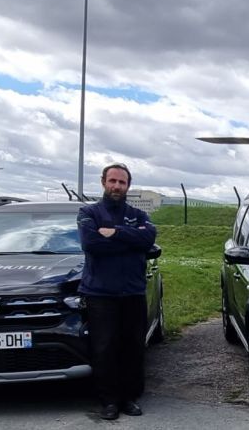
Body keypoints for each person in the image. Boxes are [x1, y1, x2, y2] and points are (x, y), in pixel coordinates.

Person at [78, 163, 158, 420]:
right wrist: (130, 240)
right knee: (104, 348)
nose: (116, 186)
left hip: (132, 292)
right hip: (100, 294)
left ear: (128, 186)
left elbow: (148, 239)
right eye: (112, 181)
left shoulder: (138, 214)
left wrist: (115, 232)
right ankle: (108, 400)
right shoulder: (88, 212)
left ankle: (129, 398)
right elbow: (91, 243)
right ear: (103, 182)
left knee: (132, 347)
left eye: (122, 182)